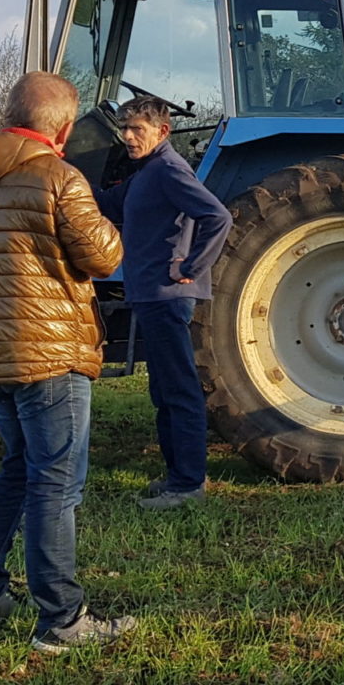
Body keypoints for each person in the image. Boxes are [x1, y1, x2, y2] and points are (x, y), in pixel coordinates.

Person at [0, 72, 134, 654]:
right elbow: (102, 258)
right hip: (48, 355)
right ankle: (62, 620)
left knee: (19, 469)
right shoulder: (60, 178)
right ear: (66, 128)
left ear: (9, 114)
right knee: (56, 483)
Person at [95, 97, 233, 509]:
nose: (128, 137)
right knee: (163, 391)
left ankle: (188, 486)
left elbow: (218, 217)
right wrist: (61, 175)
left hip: (168, 297)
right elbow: (108, 204)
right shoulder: (146, 173)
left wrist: (191, 266)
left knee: (179, 390)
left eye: (137, 129)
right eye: (125, 128)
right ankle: (177, 477)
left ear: (162, 131)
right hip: (149, 294)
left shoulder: (170, 169)